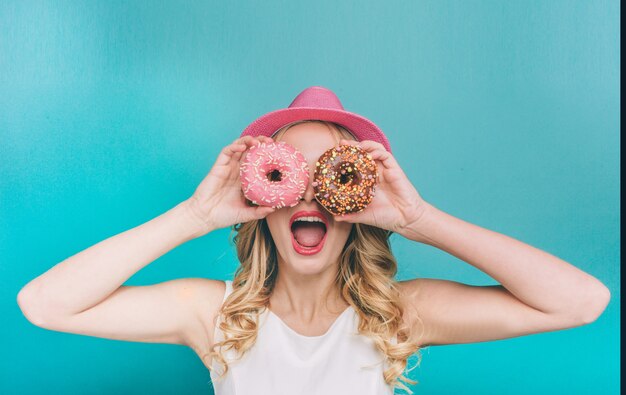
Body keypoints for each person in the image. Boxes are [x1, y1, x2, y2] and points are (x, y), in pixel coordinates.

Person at [17, 86, 611, 395]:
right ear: (262, 200)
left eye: (332, 176)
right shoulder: (215, 316)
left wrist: (420, 218)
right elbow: (43, 305)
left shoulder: (397, 317)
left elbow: (581, 300)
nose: (309, 199)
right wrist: (196, 214)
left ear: (355, 202)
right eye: (288, 176)